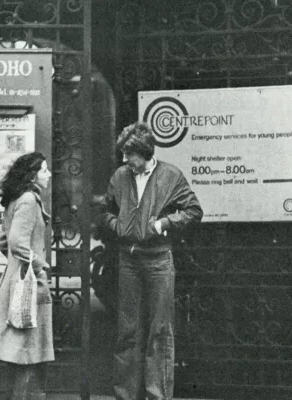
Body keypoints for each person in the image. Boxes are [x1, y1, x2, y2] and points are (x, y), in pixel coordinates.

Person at [101, 122, 203, 400]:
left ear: (144, 152)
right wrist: (117, 225)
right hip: (128, 260)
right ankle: (126, 394)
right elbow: (105, 212)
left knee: (159, 329)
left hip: (159, 260)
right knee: (127, 329)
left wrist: (164, 223)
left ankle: (157, 395)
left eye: (129, 154)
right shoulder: (120, 176)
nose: (124, 160)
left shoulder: (170, 175)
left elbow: (194, 211)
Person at [0, 151, 54, 400]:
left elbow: (3, 242)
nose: (49, 174)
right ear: (32, 176)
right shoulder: (30, 199)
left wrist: (14, 264)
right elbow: (18, 242)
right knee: (29, 351)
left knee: (21, 348)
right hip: (29, 281)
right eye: (44, 170)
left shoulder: (16, 199)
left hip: (17, 277)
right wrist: (40, 266)